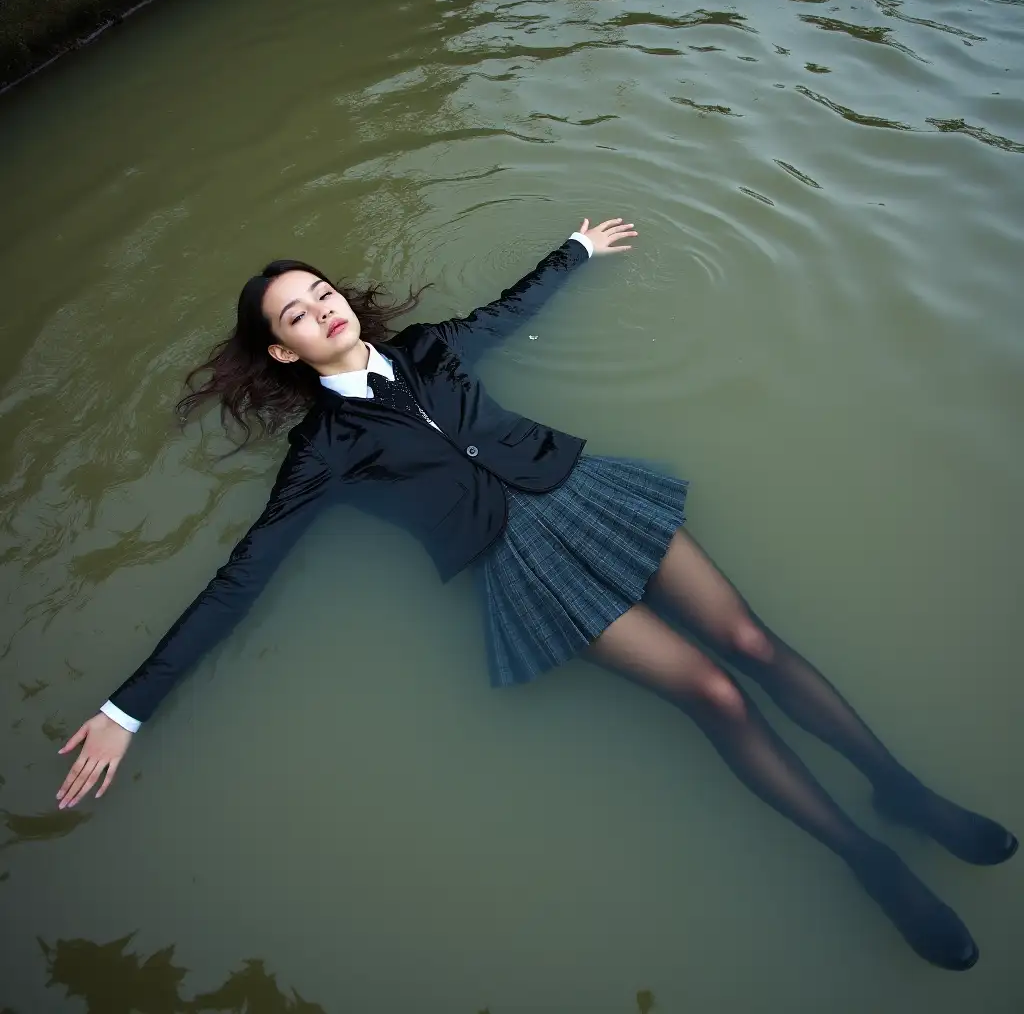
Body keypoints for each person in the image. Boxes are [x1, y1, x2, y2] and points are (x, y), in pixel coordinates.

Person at [56, 218, 1015, 970]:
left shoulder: (432, 348)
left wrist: (577, 249)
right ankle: (867, 860)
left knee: (753, 644)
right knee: (714, 694)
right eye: (298, 315)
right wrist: (124, 710)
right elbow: (241, 580)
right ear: (281, 354)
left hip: (588, 493)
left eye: (322, 291)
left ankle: (902, 791)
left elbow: (506, 310)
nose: (323, 308)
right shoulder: (323, 455)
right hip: (525, 568)